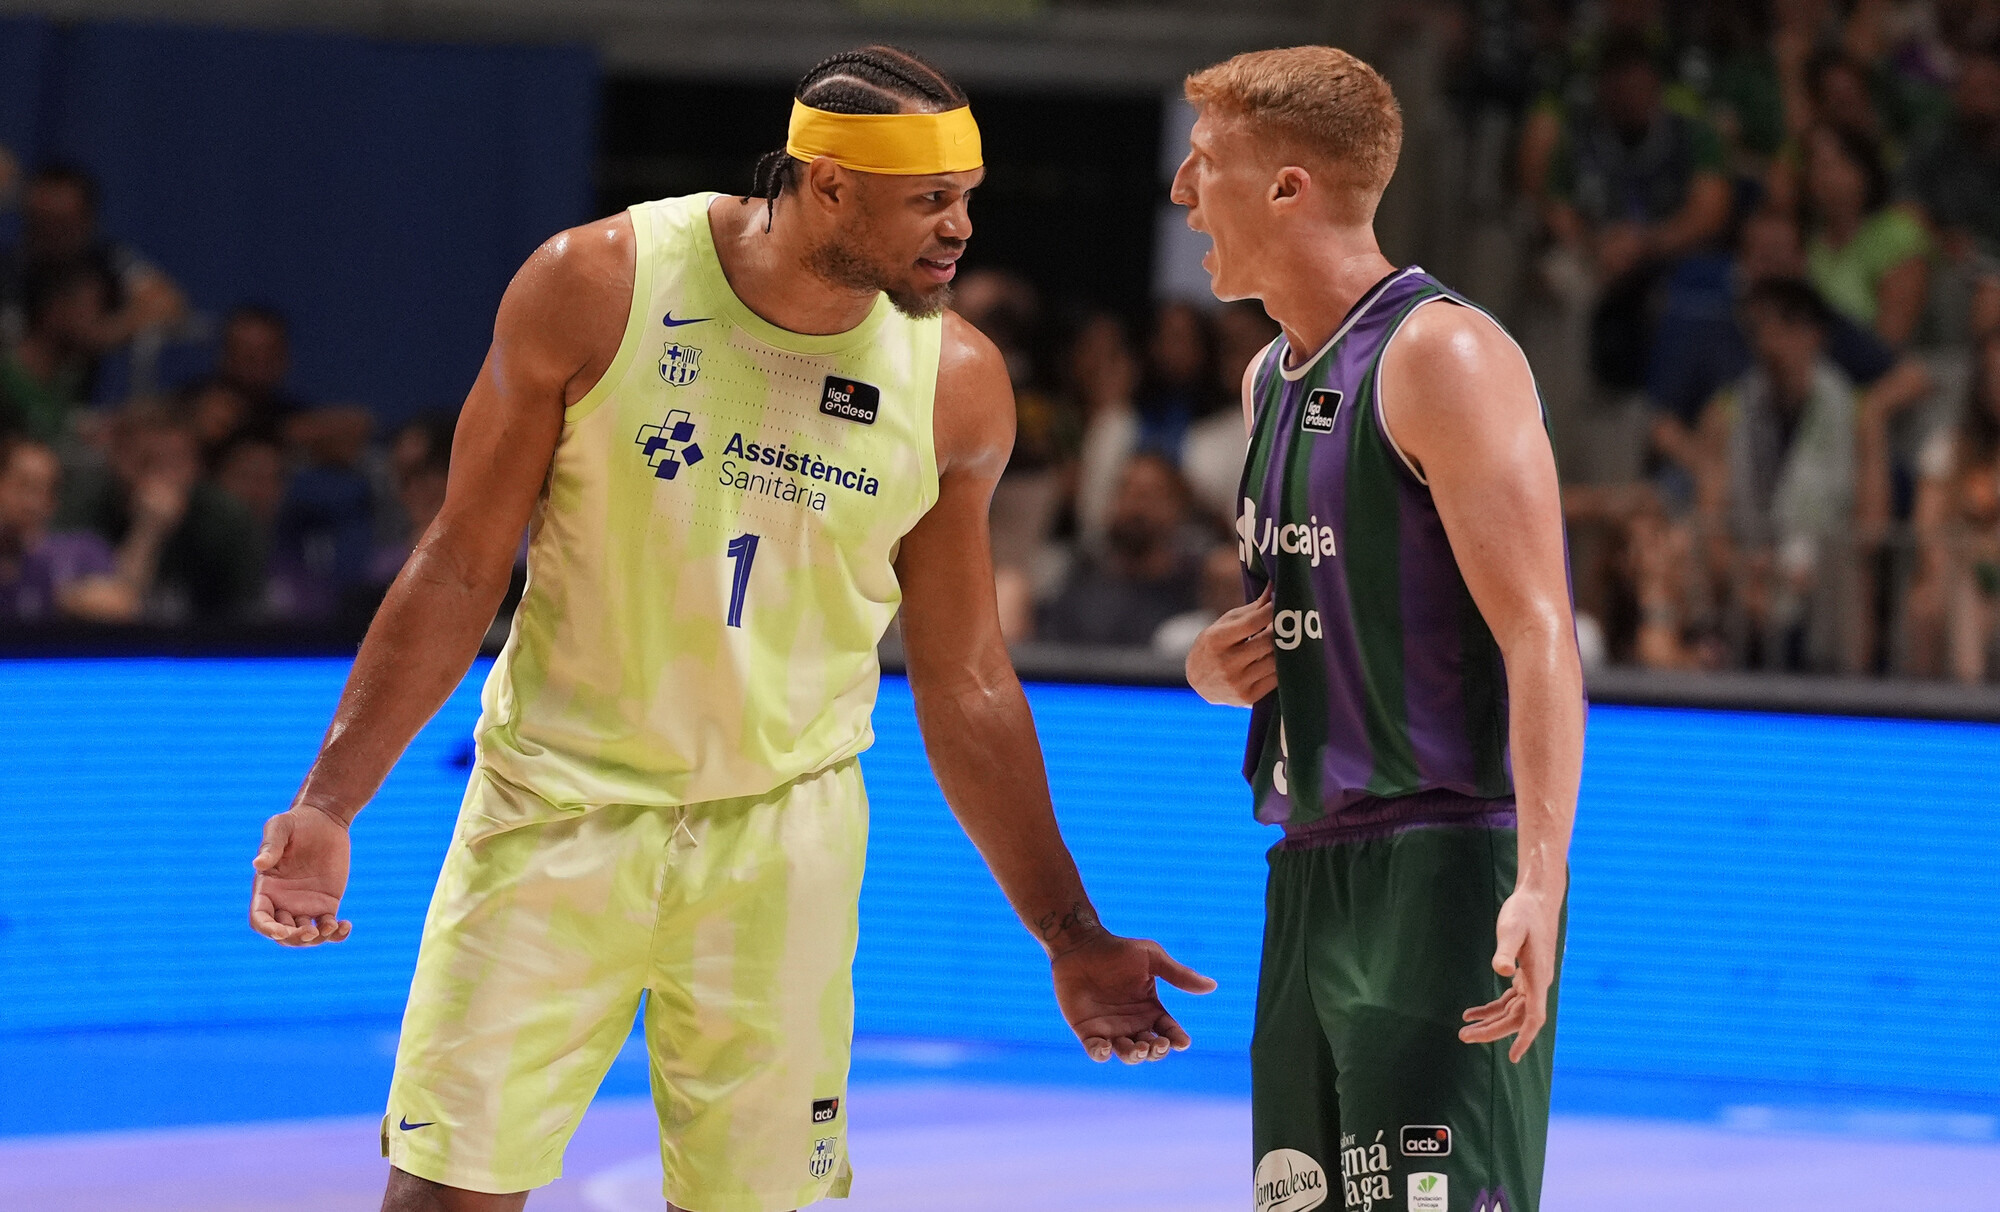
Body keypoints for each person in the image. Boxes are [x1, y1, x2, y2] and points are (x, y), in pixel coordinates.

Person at [244, 44, 1212, 1212]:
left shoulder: (955, 381)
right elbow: (458, 566)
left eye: (966, 198)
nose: (959, 229)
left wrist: (1068, 931)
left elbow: (963, 680)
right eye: (928, 200)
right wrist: (331, 800)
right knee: (445, 1194)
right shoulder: (595, 284)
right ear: (829, 184)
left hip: (781, 842)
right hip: (553, 806)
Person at [1175, 46, 1583, 1212]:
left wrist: (1538, 881)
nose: (1181, 193)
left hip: (1443, 867)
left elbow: (1539, 634)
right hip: (1309, 866)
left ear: (1286, 187)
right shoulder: (1266, 379)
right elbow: (1308, 617)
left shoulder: (1441, 353)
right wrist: (1212, 668)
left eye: (1203, 163)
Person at [1038, 452, 1207, 648]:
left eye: (1147, 496)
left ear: (1178, 507)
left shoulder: (1196, 589)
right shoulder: (1079, 579)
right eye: (1125, 491)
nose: (1134, 506)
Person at [0, 434, 158, 623]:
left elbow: (123, 605)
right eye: (24, 486)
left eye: (47, 490)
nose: (33, 503)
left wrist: (55, 593)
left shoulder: (81, 549)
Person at [0, 260, 111, 444]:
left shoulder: (74, 375)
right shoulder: (6, 378)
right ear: (57, 309)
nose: (98, 324)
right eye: (89, 311)